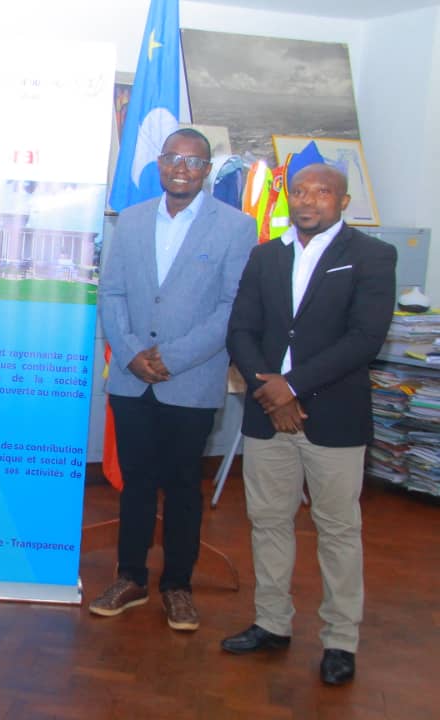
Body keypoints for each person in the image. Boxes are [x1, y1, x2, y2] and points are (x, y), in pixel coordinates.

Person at [222, 163, 396, 686]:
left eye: (322, 192)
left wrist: (291, 387)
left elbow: (365, 339)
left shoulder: (372, 256)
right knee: (268, 521)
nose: (308, 200)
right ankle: (272, 622)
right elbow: (241, 330)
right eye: (299, 191)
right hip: (267, 414)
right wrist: (270, 392)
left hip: (334, 415)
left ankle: (340, 640)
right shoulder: (265, 255)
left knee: (338, 529)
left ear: (343, 202)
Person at [91, 128, 255, 630]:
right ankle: (131, 577)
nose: (181, 168)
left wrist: (172, 357)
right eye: (172, 158)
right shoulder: (133, 220)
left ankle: (178, 586)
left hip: (191, 379)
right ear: (159, 164)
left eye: (193, 161)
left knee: (184, 486)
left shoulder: (236, 227)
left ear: (207, 170)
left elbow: (232, 306)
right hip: (132, 378)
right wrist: (131, 353)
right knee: (136, 483)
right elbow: (111, 293)